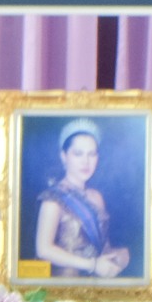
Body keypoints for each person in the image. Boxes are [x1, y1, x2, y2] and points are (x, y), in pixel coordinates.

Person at [32, 118, 130, 279]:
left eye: (91, 154)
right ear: (64, 156)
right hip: (64, 287)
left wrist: (116, 257)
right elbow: (43, 249)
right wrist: (92, 265)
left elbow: (102, 247)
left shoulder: (97, 197)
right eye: (78, 154)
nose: (86, 162)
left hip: (95, 285)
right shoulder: (52, 200)